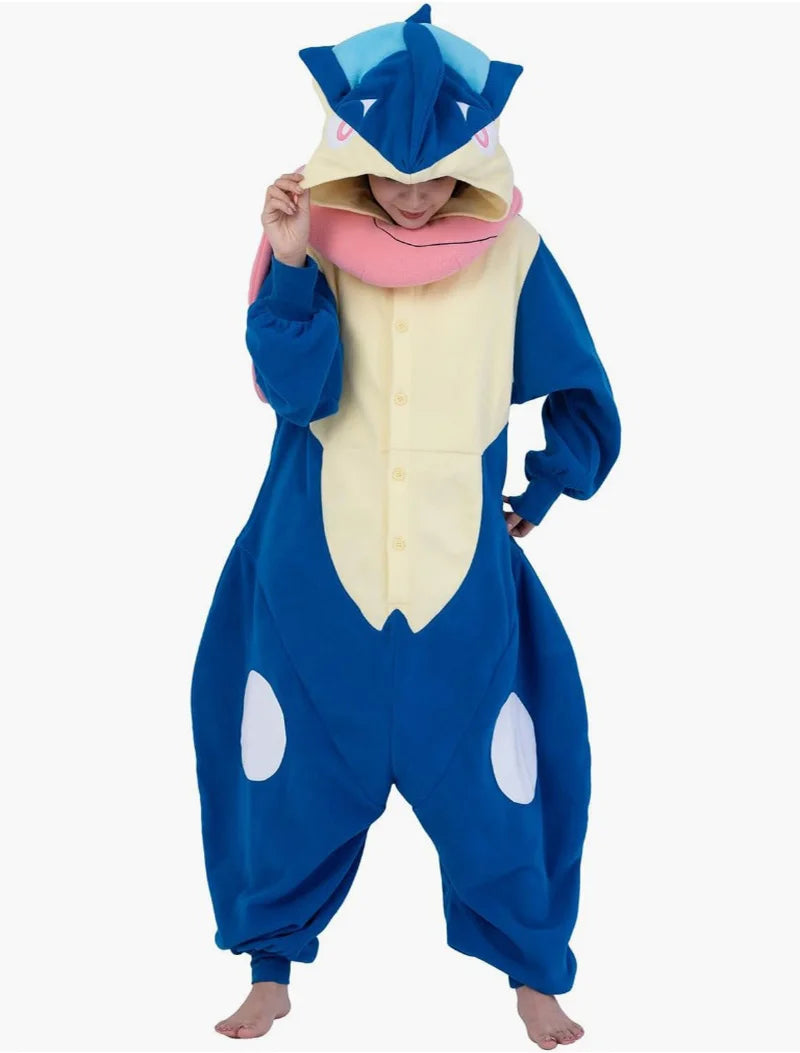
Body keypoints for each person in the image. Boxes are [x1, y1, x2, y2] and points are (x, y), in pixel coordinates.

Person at [190, 4, 621, 1047]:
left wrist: (543, 490)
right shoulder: (311, 245)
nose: (414, 196)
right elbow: (299, 394)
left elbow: (579, 387)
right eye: (389, 175)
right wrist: (293, 260)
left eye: (436, 177)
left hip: (455, 567)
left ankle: (532, 974)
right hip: (312, 563)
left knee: (496, 776)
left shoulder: (511, 254)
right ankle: (269, 965)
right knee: (283, 764)